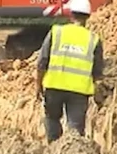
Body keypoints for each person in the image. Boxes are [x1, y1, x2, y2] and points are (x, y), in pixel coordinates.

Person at [36, 0, 105, 143]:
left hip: (54, 86)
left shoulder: (56, 32)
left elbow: (42, 62)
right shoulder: (93, 39)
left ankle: (54, 149)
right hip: (79, 92)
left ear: (71, 15)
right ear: (87, 17)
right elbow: (98, 73)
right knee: (75, 129)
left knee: (52, 119)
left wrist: (38, 85)